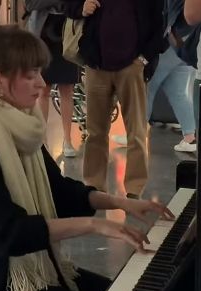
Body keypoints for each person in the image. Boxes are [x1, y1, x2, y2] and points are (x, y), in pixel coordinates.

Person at [0, 23, 175, 291]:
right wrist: (94, 225)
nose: (41, 85)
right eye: (31, 75)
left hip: (40, 276)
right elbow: (8, 234)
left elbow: (59, 192)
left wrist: (121, 203)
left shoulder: (17, 124)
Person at [62, 0, 168, 199]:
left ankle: (135, 189)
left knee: (135, 131)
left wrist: (144, 58)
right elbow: (68, 6)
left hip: (132, 66)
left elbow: (160, 24)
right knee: (95, 131)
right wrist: (81, 8)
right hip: (96, 64)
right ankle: (94, 186)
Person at [26, 2, 79, 157]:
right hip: (43, 32)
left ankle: (68, 140)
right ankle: (42, 140)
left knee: (67, 89)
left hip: (68, 30)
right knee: (43, 89)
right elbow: (30, 4)